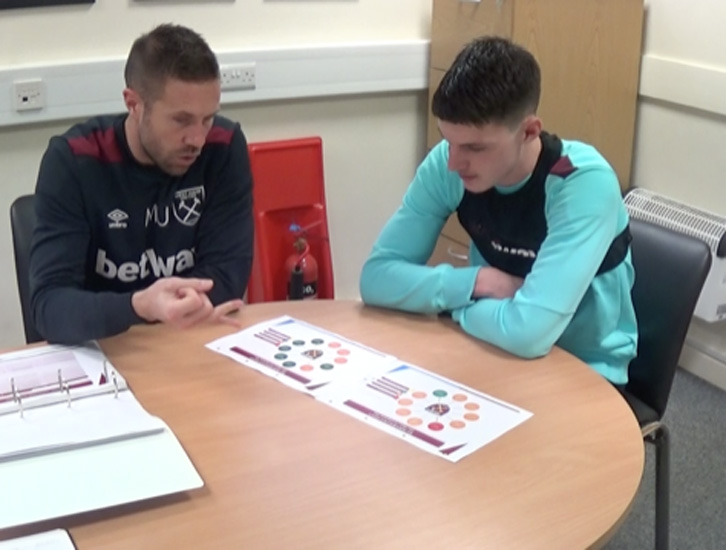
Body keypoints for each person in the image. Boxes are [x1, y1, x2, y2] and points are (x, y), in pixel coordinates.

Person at [360, 37, 637, 385]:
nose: (454, 162)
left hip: (584, 371)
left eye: (475, 147)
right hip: (492, 341)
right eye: (449, 141)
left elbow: (529, 334)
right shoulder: (449, 167)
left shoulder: (581, 184)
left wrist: (451, 304)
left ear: (529, 131)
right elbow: (376, 279)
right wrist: (478, 281)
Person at [30, 23, 254, 344]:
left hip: (187, 344)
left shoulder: (224, 145)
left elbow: (227, 274)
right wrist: (140, 306)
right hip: (107, 352)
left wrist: (174, 305)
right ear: (133, 104)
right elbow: (50, 307)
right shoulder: (74, 160)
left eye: (208, 118)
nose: (198, 139)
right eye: (181, 120)